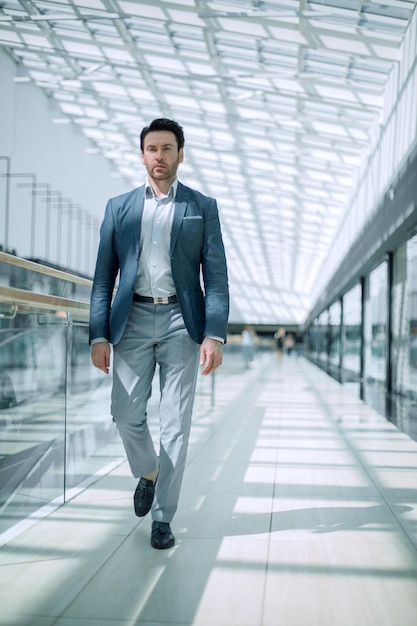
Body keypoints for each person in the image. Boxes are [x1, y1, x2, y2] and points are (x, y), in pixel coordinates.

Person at [89, 118, 229, 549]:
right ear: (143, 154)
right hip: (130, 321)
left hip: (180, 323)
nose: (159, 157)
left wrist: (214, 334)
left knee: (176, 424)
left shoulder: (202, 207)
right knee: (125, 414)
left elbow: (216, 276)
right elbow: (102, 278)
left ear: (180, 154)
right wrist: (98, 334)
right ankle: (149, 471)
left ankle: (163, 518)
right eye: (152, 149)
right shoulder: (120, 207)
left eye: (167, 149)